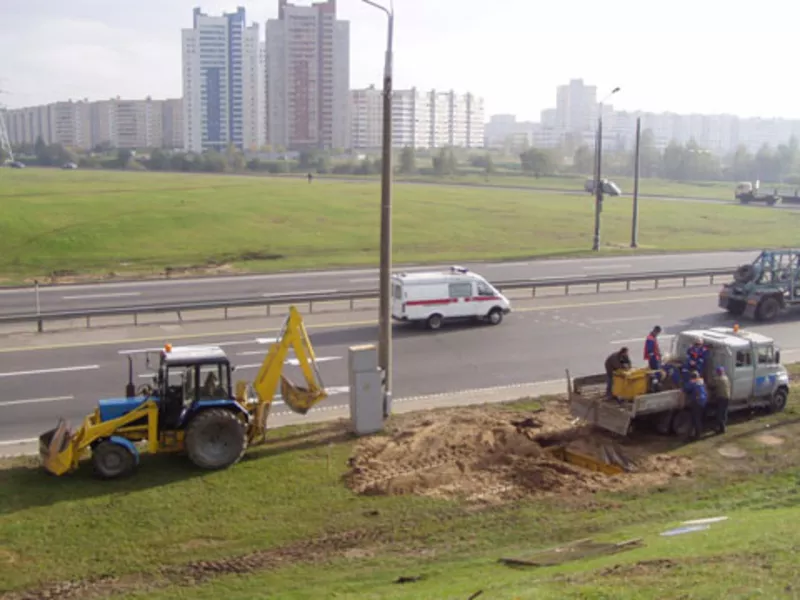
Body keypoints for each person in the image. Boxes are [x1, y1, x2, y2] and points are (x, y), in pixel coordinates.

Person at [684, 370, 708, 441]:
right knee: (698, 418)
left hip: (697, 402)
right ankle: (696, 434)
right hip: (703, 401)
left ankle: (697, 435)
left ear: (692, 378)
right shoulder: (701, 381)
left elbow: (685, 388)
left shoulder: (693, 383)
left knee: (695, 419)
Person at [712, 366, 731, 434]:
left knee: (720, 413)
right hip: (727, 397)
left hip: (721, 397)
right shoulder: (726, 378)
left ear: (718, 372)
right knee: (724, 412)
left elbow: (712, 385)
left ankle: (721, 429)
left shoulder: (718, 379)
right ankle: (723, 427)